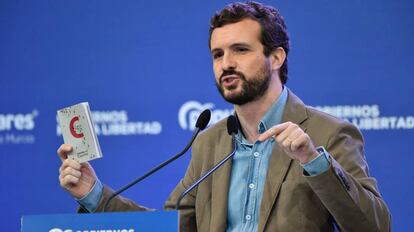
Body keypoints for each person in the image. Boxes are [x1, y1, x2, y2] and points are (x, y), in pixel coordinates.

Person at [57, 2, 391, 231]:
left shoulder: (328, 133)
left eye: (240, 50)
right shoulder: (210, 143)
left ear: (276, 57)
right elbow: (171, 227)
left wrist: (313, 160)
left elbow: (373, 225)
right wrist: (94, 193)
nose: (225, 64)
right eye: (218, 54)